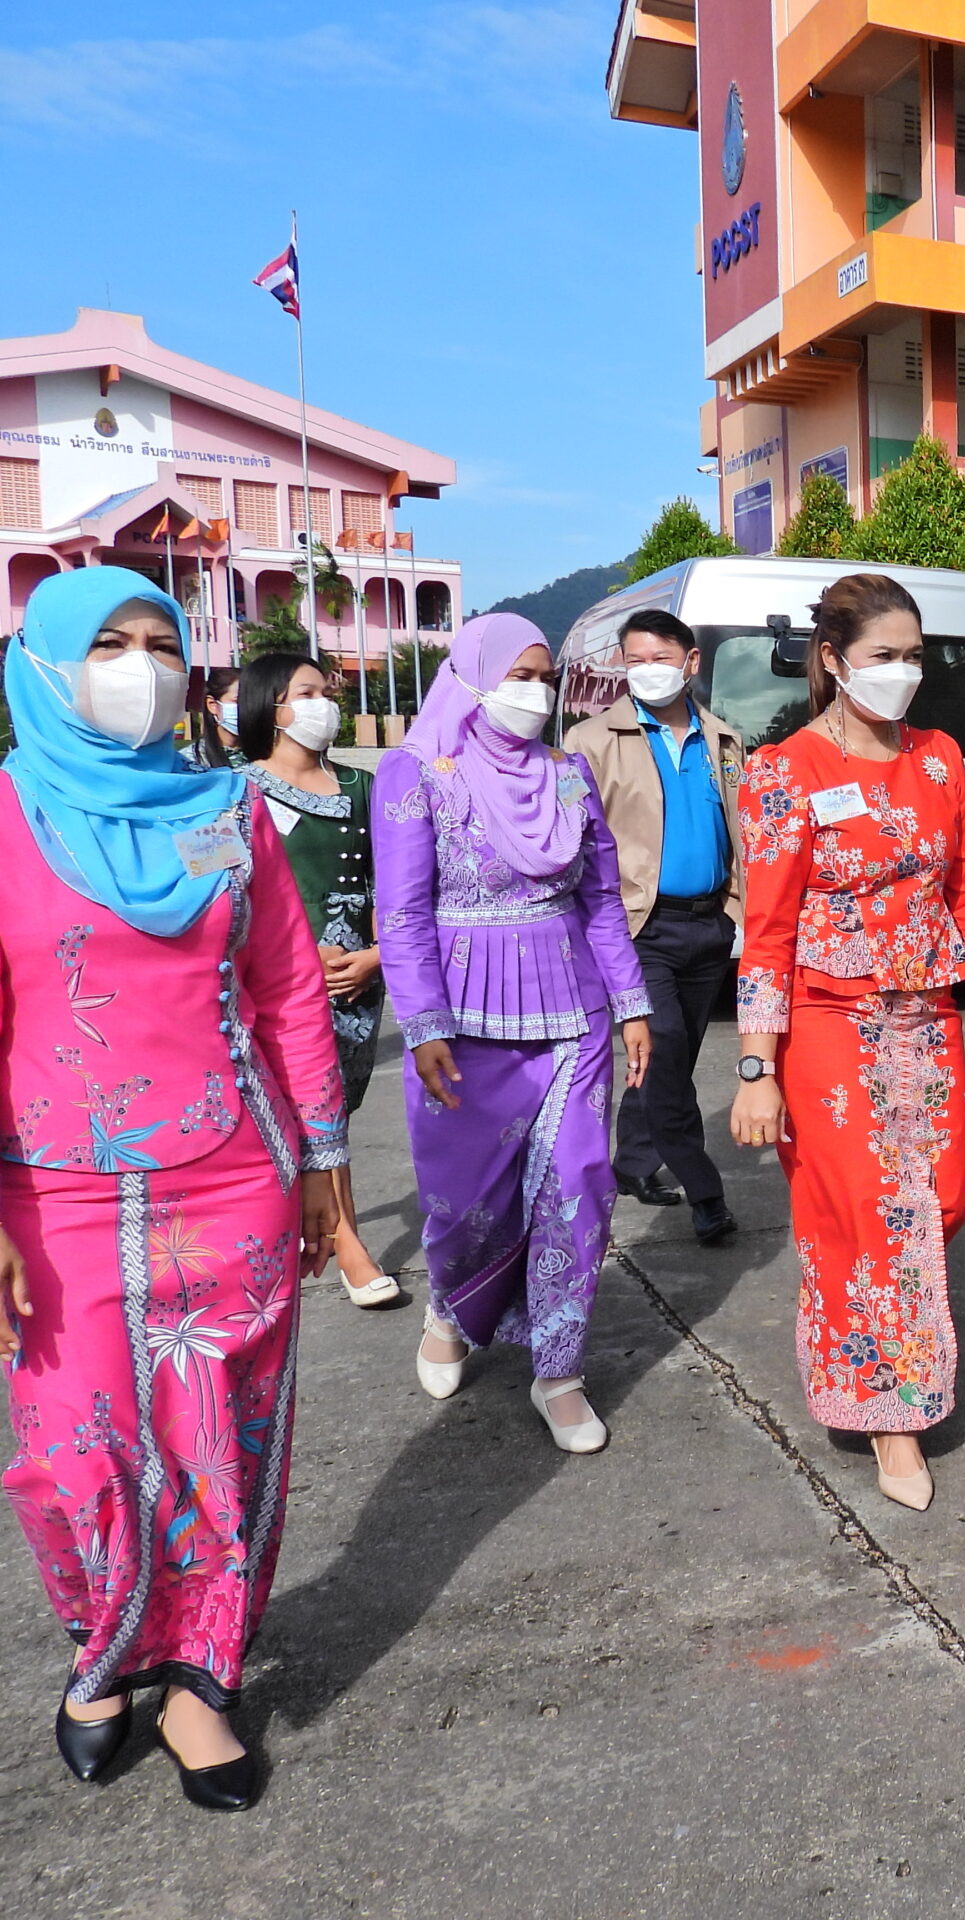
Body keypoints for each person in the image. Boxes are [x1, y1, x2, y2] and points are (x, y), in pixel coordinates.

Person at [0, 567, 344, 1811]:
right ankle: (103, 1648)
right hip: (53, 1193)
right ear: (45, 666)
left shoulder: (228, 811)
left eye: (161, 642)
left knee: (219, 1443)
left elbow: (286, 988)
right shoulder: (3, 812)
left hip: (234, 1171)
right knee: (73, 1450)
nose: (140, 667)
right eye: (109, 644)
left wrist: (322, 1160)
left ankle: (203, 1676)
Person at [728, 573, 965, 1513]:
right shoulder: (784, 771)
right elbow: (767, 934)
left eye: (915, 657)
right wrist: (756, 1069)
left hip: (929, 1018)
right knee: (868, 1214)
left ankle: (869, 1354)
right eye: (884, 656)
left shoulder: (939, 759)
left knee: (940, 1202)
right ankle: (889, 1412)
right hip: (830, 1026)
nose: (904, 673)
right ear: (834, 659)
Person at [372, 612, 654, 1454]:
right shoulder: (416, 773)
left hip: (574, 1014)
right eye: (518, 676)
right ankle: (451, 1309)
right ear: (470, 679)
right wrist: (421, 1022)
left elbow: (600, 899)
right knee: (469, 1200)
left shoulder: (568, 774)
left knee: (581, 1184)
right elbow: (402, 913)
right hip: (461, 1025)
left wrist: (632, 1002)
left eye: (545, 679)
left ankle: (559, 1371)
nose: (535, 693)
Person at [565, 609, 747, 1248]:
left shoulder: (724, 740)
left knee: (673, 1055)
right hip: (636, 928)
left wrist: (736, 909)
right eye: (635, 659)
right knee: (664, 1048)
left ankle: (635, 1159)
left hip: (709, 924)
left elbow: (740, 830)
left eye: (660, 658)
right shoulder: (592, 741)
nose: (646, 671)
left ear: (691, 662)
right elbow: (572, 842)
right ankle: (705, 1190)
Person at [237, 651, 399, 1308]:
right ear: (271, 705)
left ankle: (322, 1231)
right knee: (299, 1110)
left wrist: (377, 956)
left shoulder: (364, 787)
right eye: (306, 693)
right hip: (276, 984)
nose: (323, 704)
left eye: (326, 691)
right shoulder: (235, 791)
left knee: (337, 1111)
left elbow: (397, 887)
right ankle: (346, 1243)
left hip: (357, 983)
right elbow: (222, 893)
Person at [190, 664, 242, 769]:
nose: (248, 707)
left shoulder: (269, 756)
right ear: (212, 705)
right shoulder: (191, 760)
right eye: (238, 700)